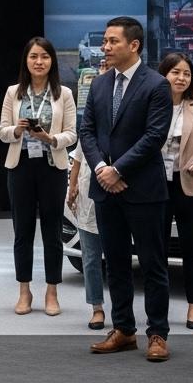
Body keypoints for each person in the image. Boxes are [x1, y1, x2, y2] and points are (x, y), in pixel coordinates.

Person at [77, 16, 173, 362]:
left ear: (134, 45)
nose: (105, 47)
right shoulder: (100, 84)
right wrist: (102, 168)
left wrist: (118, 168)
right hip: (106, 189)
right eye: (104, 41)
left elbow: (154, 136)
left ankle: (158, 333)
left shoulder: (156, 84)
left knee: (152, 264)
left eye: (112, 41)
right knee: (114, 263)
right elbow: (86, 131)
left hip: (142, 190)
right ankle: (123, 330)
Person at [0, 36, 78, 316]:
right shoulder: (13, 92)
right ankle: (24, 291)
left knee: (52, 232)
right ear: (26, 61)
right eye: (33, 57)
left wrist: (49, 138)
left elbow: (72, 134)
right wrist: (18, 131)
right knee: (23, 232)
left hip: (52, 167)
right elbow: (2, 131)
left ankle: (52, 291)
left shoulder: (63, 94)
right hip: (20, 166)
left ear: (52, 60)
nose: (39, 62)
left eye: (44, 56)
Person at [155, 51, 193, 333]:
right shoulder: (151, 105)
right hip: (156, 185)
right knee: (156, 250)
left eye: (186, 74)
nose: (181, 78)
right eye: (175, 72)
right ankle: (158, 310)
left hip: (189, 184)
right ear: (163, 75)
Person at [67, 59, 109, 330]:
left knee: (119, 257)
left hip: (119, 191)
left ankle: (124, 309)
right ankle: (96, 307)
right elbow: (80, 156)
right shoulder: (90, 117)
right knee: (91, 256)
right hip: (88, 193)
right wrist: (72, 188)